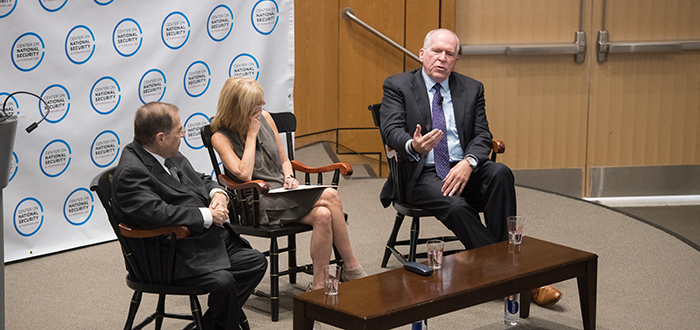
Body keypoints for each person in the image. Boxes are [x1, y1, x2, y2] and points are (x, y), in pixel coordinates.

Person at [379, 29, 562, 307]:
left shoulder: (472, 88)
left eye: (449, 54)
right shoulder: (398, 85)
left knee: (500, 173)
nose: (442, 59)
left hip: (463, 168)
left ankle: (503, 273)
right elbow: (391, 130)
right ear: (422, 54)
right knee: (455, 206)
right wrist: (413, 145)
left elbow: (481, 135)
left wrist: (469, 162)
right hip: (420, 173)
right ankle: (519, 276)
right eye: (437, 51)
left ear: (455, 60)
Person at [111, 101, 267, 330]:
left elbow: (199, 178)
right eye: (179, 131)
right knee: (223, 283)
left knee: (255, 262)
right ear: (160, 137)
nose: (183, 135)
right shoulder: (132, 172)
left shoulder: (166, 152)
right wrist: (207, 215)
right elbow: (157, 213)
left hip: (197, 241)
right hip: (167, 253)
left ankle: (208, 325)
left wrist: (218, 193)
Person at [210, 76, 367, 291]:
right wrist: (251, 135)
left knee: (324, 215)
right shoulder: (220, 137)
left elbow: (284, 160)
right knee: (330, 194)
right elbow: (244, 175)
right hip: (258, 200)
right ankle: (351, 267)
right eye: (257, 103)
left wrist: (289, 177)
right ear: (240, 108)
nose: (263, 106)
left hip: (283, 191)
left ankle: (319, 286)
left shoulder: (265, 117)